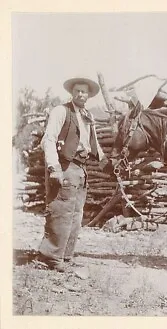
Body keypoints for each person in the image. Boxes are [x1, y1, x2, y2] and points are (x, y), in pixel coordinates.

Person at [37, 76, 108, 272]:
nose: (80, 94)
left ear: (89, 95)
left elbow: (93, 143)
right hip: (65, 165)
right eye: (77, 90)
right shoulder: (62, 111)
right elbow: (49, 139)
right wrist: (54, 168)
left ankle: (65, 256)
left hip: (81, 168)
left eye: (84, 91)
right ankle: (49, 257)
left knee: (76, 215)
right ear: (72, 92)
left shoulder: (87, 116)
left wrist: (105, 162)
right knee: (61, 211)